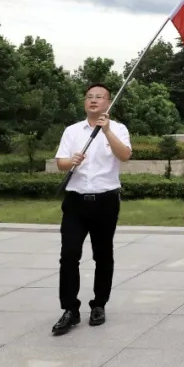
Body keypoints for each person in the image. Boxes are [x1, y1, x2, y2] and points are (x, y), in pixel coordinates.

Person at [51, 83, 133, 336]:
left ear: (108, 102)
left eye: (99, 97)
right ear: (84, 102)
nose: (93, 100)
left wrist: (106, 131)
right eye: (89, 97)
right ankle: (70, 309)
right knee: (69, 255)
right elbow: (60, 163)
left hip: (106, 201)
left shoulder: (118, 129)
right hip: (76, 201)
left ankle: (99, 305)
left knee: (103, 255)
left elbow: (125, 155)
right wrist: (71, 161)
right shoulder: (72, 131)